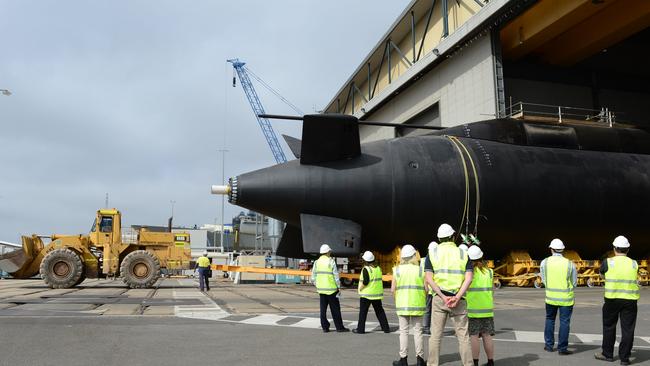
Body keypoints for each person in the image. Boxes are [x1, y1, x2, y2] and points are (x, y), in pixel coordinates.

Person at [424, 223, 474, 366]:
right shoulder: (463, 253)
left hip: (440, 299)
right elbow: (469, 278)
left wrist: (442, 295)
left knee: (435, 336)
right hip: (459, 300)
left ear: (439, 238)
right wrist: (457, 296)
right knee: (463, 337)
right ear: (453, 236)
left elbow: (429, 278)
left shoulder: (432, 253)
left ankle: (432, 364)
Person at [595, 236, 640, 366]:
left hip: (612, 300)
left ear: (614, 248)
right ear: (628, 249)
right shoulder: (634, 263)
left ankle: (607, 354)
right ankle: (624, 358)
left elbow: (602, 275)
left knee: (609, 327)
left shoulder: (607, 262)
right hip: (630, 301)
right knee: (628, 329)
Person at [540, 238, 577, 355]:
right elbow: (574, 282)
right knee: (564, 322)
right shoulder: (570, 264)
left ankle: (549, 345)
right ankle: (562, 349)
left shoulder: (544, 262)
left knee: (550, 320)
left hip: (550, 298)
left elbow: (544, 279)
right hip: (566, 299)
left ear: (551, 249)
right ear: (563, 250)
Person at [392, 244, 426, 366]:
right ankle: (420, 360)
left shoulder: (397, 270)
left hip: (402, 305)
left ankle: (403, 359)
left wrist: (398, 298)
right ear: (413, 256)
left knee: (404, 332)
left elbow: (392, 289)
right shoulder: (421, 270)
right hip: (418, 305)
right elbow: (426, 289)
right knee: (418, 332)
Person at [466, 245, 495, 366]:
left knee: (474, 337)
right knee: (487, 336)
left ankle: (475, 362)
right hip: (487, 309)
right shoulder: (489, 272)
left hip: (473, 310)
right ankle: (490, 361)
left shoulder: (468, 273)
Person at [311, 244, 349, 333]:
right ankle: (339, 327)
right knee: (335, 309)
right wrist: (338, 287)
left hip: (321, 290)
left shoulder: (316, 262)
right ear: (328, 252)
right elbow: (336, 276)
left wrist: (318, 285)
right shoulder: (331, 261)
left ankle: (325, 327)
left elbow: (313, 277)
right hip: (332, 290)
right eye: (330, 251)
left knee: (323, 310)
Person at [353, 251, 390, 334]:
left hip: (366, 294)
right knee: (380, 311)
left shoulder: (366, 269)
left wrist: (360, 289)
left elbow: (365, 282)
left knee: (363, 312)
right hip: (376, 294)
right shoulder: (378, 268)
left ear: (365, 260)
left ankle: (360, 329)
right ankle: (386, 328)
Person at [422, 241, 438, 335]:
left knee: (430, 309)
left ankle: (428, 327)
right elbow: (424, 275)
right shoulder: (426, 260)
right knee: (431, 309)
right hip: (434, 288)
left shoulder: (424, 260)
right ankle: (427, 327)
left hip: (434, 289)